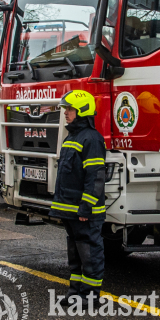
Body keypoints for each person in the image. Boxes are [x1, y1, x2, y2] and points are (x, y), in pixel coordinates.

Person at [49, 90, 107, 303]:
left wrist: (86, 207)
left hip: (84, 211)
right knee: (76, 253)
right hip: (71, 209)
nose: (66, 113)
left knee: (89, 252)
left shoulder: (91, 138)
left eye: (70, 109)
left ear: (81, 111)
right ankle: (75, 293)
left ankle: (90, 296)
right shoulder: (73, 136)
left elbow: (95, 178)